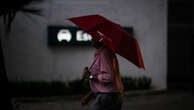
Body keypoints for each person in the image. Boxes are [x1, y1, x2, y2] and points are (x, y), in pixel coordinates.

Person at [81, 38, 124, 110]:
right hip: (112, 95)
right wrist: (89, 95)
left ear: (100, 39)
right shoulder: (105, 52)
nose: (91, 39)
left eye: (93, 37)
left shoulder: (104, 53)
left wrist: (90, 76)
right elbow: (103, 83)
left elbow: (109, 77)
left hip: (108, 96)